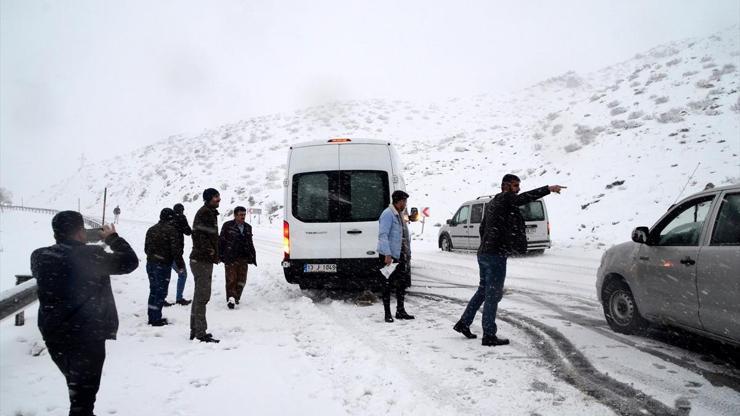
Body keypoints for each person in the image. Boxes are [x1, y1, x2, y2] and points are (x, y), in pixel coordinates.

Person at [31, 211, 138, 416]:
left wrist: (79, 240)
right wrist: (112, 238)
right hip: (86, 335)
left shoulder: (39, 256)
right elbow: (130, 262)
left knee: (77, 387)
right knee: (83, 397)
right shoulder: (92, 256)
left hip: (55, 335)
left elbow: (65, 256)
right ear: (81, 232)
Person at [454, 174, 564, 346]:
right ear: (505, 186)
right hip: (495, 255)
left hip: (484, 253)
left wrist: (488, 244)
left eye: (518, 185)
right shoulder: (506, 198)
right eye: (515, 185)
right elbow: (524, 198)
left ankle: (463, 323)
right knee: (492, 294)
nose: (517, 189)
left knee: (483, 290)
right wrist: (548, 189)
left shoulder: (493, 202)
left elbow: (483, 228)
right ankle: (489, 335)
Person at [377, 190, 415, 323]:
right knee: (387, 285)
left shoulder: (400, 214)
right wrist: (387, 254)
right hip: (389, 256)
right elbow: (383, 235)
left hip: (400, 254)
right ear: (398, 201)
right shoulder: (388, 214)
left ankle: (400, 310)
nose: (405, 204)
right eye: (404, 201)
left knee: (401, 284)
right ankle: (387, 313)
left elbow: (403, 232)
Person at [189, 188, 221, 343]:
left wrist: (215, 253)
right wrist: (210, 251)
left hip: (202, 260)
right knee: (202, 297)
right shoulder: (205, 213)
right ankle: (200, 333)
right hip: (201, 261)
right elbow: (200, 235)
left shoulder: (208, 212)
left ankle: (195, 329)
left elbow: (210, 236)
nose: (219, 200)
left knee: (198, 297)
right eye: (216, 197)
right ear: (209, 199)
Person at [144, 208, 185, 326]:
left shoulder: (151, 230)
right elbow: (176, 251)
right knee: (161, 292)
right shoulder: (171, 231)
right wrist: (180, 265)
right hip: (163, 265)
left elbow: (146, 249)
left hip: (150, 263)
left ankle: (152, 315)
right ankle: (156, 318)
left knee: (153, 290)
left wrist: (154, 257)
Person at [219, 206, 258, 309]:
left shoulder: (248, 227)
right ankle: (231, 298)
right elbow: (221, 241)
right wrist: (220, 255)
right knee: (231, 279)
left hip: (243, 258)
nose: (243, 217)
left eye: (244, 215)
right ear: (235, 215)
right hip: (230, 258)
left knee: (242, 280)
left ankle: (236, 298)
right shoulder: (227, 226)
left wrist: (252, 256)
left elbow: (250, 243)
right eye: (241, 215)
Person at [166, 203, 193, 306]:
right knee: (182, 274)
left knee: (165, 276)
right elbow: (188, 231)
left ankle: (161, 298)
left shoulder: (168, 220)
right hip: (175, 253)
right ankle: (179, 298)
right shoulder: (181, 218)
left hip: (164, 253)